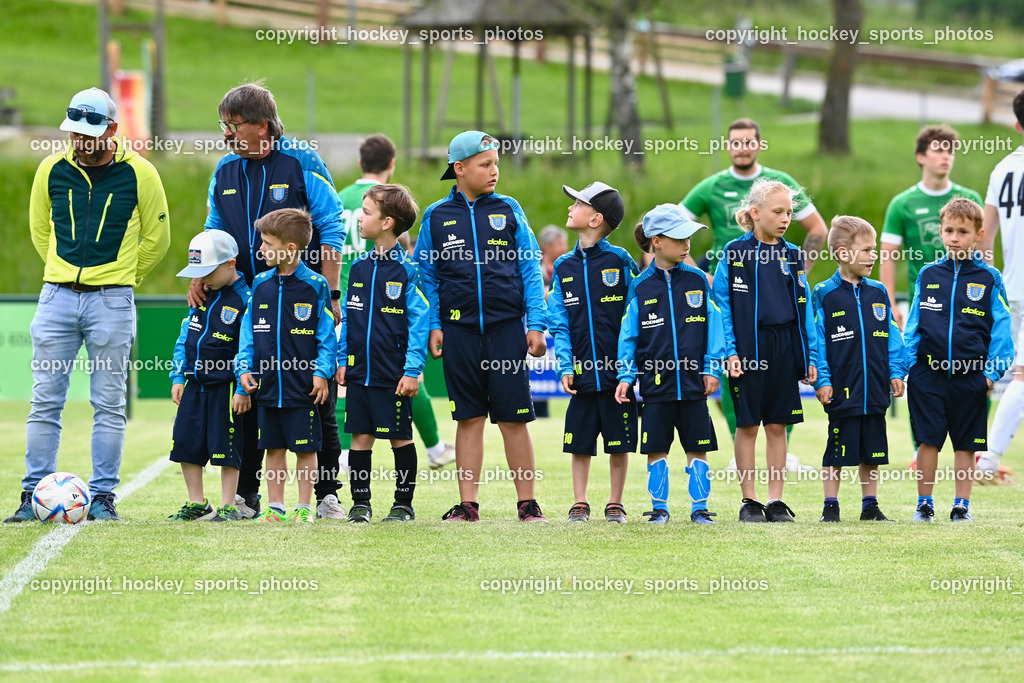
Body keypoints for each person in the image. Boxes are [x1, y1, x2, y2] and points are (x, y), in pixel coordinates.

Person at [6, 87, 170, 523]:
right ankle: (31, 494)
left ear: (111, 130)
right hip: (55, 297)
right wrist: (60, 273)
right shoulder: (50, 168)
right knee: (45, 401)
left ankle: (102, 497)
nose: (80, 141)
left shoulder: (141, 173)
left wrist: (124, 277)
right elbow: (40, 230)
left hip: (112, 301)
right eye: (74, 133)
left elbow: (157, 238)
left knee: (109, 404)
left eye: (89, 134)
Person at [193, 83, 346, 521]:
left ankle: (326, 495)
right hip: (247, 298)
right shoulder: (224, 169)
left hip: (301, 298)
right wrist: (201, 275)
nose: (226, 134)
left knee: (316, 398)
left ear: (261, 126)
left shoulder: (301, 161)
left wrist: (331, 291)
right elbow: (213, 231)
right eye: (223, 124)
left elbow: (331, 225)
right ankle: (247, 496)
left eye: (233, 125)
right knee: (248, 392)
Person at [414, 130, 549, 522]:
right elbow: (426, 277)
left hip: (507, 330)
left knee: (514, 418)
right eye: (485, 164)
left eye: (496, 164)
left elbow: (530, 268)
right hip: (459, 332)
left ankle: (527, 503)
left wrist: (536, 323)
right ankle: (468, 505)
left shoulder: (509, 209)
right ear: (459, 168)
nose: (494, 171)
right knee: (469, 418)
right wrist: (435, 324)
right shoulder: (436, 216)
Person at [679, 117, 826, 468]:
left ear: (759, 145)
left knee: (781, 389)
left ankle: (783, 454)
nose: (742, 148)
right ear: (727, 146)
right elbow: (673, 228)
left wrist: (795, 276)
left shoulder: (781, 183)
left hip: (776, 309)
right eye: (736, 142)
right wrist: (702, 278)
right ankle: (739, 452)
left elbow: (818, 229)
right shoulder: (711, 186)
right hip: (731, 294)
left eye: (749, 142)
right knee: (736, 372)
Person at [337, 134, 455, 471]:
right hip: (378, 307)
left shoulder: (339, 198)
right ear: (391, 163)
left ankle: (345, 456)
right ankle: (434, 448)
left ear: (359, 162)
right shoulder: (386, 201)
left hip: (345, 302)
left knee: (354, 383)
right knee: (401, 380)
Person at [903, 198, 1013, 522]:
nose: (954, 238)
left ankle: (961, 506)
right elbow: (913, 326)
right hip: (928, 376)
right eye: (949, 230)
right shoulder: (928, 274)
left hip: (971, 377)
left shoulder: (990, 278)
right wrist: (906, 367)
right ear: (940, 231)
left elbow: (1003, 331)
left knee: (966, 445)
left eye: (962, 232)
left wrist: (990, 375)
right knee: (927, 441)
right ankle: (924, 504)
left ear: (978, 235)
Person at [713, 179, 815, 523]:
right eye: (778, 212)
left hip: (784, 348)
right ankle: (750, 500)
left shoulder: (793, 255)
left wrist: (808, 355)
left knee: (777, 425)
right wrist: (730, 352)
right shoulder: (734, 253)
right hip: (747, 350)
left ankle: (775, 500)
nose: (785, 219)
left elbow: (804, 309)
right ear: (755, 213)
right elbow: (722, 306)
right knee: (747, 425)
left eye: (789, 212)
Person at [616, 205, 724, 524]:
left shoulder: (698, 280)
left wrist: (711, 368)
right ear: (657, 242)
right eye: (679, 239)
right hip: (655, 386)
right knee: (656, 448)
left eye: (689, 238)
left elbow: (714, 326)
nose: (687, 245)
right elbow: (628, 335)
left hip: (693, 384)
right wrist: (626, 375)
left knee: (698, 448)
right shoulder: (639, 286)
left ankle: (700, 508)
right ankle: (659, 508)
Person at [234, 208, 336, 523]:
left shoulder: (316, 285)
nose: (260, 249)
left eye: (267, 243)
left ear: (290, 248)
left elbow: (327, 337)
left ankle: (304, 507)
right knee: (273, 448)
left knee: (306, 449)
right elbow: (248, 335)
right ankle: (276, 507)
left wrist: (321, 373)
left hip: (302, 387)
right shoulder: (260, 284)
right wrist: (243, 372)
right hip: (267, 387)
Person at [337, 184, 428, 523]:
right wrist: (342, 359)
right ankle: (360, 503)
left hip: (393, 373)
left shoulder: (407, 271)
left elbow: (419, 323)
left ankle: (403, 504)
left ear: (387, 222)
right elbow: (350, 317)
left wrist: (412, 369)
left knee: (399, 437)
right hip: (359, 371)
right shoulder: (358, 268)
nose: (360, 218)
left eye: (366, 213)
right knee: (360, 437)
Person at [548, 182, 637, 523]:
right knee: (579, 443)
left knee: (619, 444)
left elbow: (634, 317)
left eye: (578, 204)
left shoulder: (620, 260)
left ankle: (615, 502)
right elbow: (559, 323)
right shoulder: (563, 266)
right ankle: (579, 502)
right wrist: (565, 365)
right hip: (582, 375)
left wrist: (627, 371)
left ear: (596, 219)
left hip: (618, 379)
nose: (570, 208)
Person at [807, 216, 907, 523]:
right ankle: (830, 507)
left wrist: (896, 371)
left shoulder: (878, 292)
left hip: (874, 387)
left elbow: (892, 335)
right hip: (842, 387)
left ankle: (870, 506)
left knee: (873, 451)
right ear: (842, 253)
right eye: (866, 250)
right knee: (836, 450)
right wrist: (823, 380)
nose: (872, 256)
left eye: (874, 250)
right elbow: (817, 341)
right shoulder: (823, 294)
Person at [167, 231, 252, 522]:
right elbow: (184, 338)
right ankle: (197, 503)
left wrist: (243, 388)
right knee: (186, 443)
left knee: (227, 447)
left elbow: (249, 347)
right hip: (194, 384)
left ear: (230, 263)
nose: (203, 278)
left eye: (209, 271)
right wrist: (178, 376)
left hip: (225, 388)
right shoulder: (200, 294)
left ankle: (228, 505)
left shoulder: (245, 299)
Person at [880, 124, 983, 329]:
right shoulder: (902, 204)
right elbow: (887, 256)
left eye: (950, 151)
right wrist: (890, 303)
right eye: (938, 150)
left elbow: (983, 251)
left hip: (966, 305)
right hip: (923, 306)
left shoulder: (971, 199)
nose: (946, 156)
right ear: (921, 157)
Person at [977, 90, 1024, 477]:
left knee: (1009, 374)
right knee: (1021, 376)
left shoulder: (1002, 168)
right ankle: (988, 460)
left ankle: (983, 456)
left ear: (1017, 125)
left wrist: (992, 286)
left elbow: (985, 238)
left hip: (1010, 287)